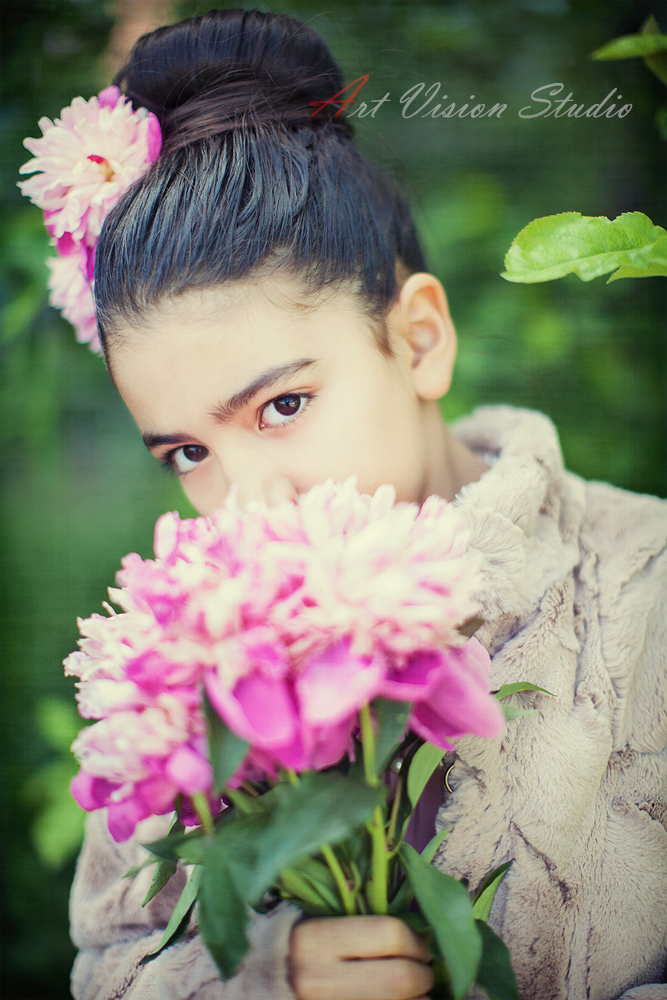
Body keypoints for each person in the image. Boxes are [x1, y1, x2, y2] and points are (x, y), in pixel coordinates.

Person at [62, 8, 667, 1000]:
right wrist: (265, 976)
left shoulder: (645, 586)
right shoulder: (181, 661)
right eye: (186, 451)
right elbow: (110, 963)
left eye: (284, 404)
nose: (247, 505)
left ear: (419, 339)